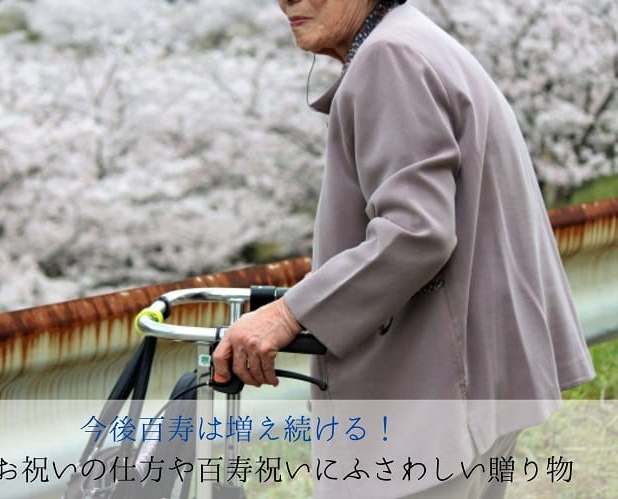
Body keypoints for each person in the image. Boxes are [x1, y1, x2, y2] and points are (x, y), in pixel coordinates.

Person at [212, 0, 595, 496]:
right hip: (475, 380)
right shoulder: (415, 41)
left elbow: (416, 231)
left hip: (435, 394)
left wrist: (288, 314)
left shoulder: (388, 56)